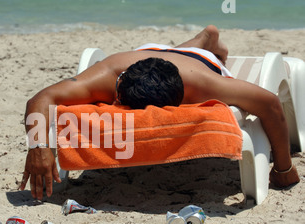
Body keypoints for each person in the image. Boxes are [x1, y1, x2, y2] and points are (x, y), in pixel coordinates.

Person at [19, 25, 300, 200]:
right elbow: (41, 98)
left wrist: (284, 168)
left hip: (199, 62)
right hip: (146, 53)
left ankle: (207, 41)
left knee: (196, 53)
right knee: (176, 52)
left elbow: (270, 104)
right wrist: (38, 146)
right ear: (118, 94)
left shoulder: (204, 84)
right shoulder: (106, 77)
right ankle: (205, 36)